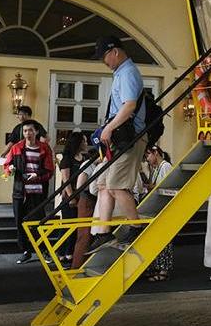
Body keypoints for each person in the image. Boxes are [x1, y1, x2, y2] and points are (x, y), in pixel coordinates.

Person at [89, 35, 147, 249]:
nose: (104, 61)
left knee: (116, 185)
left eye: (104, 56)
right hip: (120, 139)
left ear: (115, 52)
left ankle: (136, 228)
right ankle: (103, 233)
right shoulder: (121, 73)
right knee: (104, 184)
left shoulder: (128, 73)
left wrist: (109, 128)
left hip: (129, 138)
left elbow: (129, 105)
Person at [2, 121, 55, 264]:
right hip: (20, 192)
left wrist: (37, 175)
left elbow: (50, 170)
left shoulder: (44, 148)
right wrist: (10, 170)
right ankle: (25, 251)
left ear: (36, 132)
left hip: (38, 192)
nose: (27, 134)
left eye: (30, 130)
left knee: (39, 222)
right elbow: (6, 165)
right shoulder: (17, 147)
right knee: (20, 222)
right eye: (25, 131)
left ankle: (43, 250)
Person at [60, 132, 95, 269]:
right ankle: (62, 252)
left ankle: (71, 252)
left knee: (78, 225)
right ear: (78, 142)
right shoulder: (67, 159)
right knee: (68, 224)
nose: (86, 143)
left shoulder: (85, 157)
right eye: (84, 141)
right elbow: (66, 180)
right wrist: (71, 196)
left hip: (82, 195)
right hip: (71, 194)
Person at [142, 146, 173, 282]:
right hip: (157, 207)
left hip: (163, 208)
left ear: (155, 153)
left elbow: (165, 186)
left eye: (148, 156)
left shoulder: (165, 166)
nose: (147, 160)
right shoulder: (154, 168)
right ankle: (157, 266)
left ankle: (163, 269)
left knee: (164, 240)